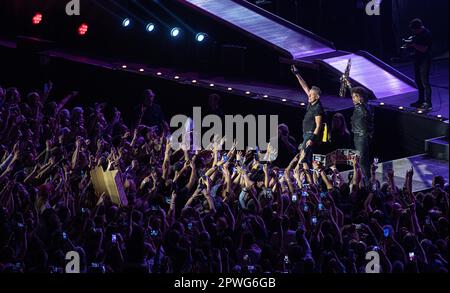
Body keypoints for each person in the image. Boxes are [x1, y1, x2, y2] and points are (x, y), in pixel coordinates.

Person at [291, 65, 324, 165]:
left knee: (303, 158)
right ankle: (307, 178)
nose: (308, 96)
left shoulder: (318, 107)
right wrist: (297, 74)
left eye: (311, 94)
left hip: (310, 134)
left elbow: (318, 125)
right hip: (306, 134)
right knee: (305, 160)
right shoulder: (311, 102)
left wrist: (312, 139)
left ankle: (304, 177)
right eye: (309, 94)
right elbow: (304, 86)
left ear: (317, 97)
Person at [350, 87, 374, 186]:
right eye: (352, 97)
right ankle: (365, 179)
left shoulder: (363, 107)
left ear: (362, 98)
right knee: (362, 160)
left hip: (361, 137)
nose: (353, 99)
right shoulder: (359, 106)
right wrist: (349, 85)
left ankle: (367, 182)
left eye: (355, 97)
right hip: (358, 136)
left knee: (363, 160)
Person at [408, 19, 433, 111]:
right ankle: (421, 100)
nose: (413, 32)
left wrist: (414, 45)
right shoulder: (417, 33)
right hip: (418, 59)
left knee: (425, 82)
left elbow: (424, 49)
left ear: (418, 28)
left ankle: (428, 103)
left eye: (414, 30)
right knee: (418, 81)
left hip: (425, 60)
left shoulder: (426, 34)